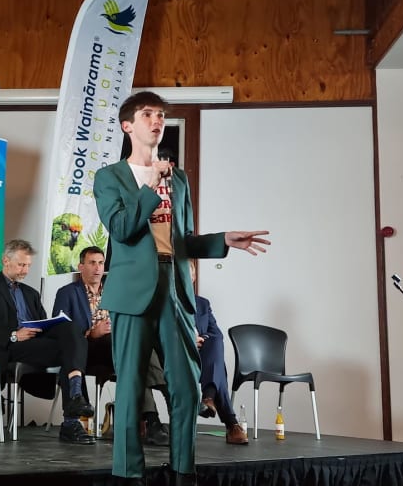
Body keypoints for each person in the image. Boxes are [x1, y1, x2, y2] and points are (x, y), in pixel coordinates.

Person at [93, 91, 270, 484]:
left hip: (174, 287)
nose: (156, 120)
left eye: (160, 114)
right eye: (147, 114)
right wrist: (149, 185)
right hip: (130, 292)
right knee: (131, 389)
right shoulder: (109, 178)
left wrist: (223, 240)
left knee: (187, 387)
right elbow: (121, 229)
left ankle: (183, 469)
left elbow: (183, 240)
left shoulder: (180, 178)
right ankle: (127, 473)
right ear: (128, 125)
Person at [0, 239, 96, 445]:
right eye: (21, 265)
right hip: (10, 347)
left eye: (28, 265)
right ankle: (72, 419)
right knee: (71, 348)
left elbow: (45, 324)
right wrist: (13, 335)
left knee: (71, 331)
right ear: (5, 261)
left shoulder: (31, 293)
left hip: (38, 345)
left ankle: (74, 401)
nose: (25, 270)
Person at [51, 245, 170, 446]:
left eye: (100, 263)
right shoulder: (67, 293)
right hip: (85, 352)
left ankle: (152, 421)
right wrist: (91, 332)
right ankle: (167, 393)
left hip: (116, 350)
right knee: (135, 352)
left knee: (136, 355)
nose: (97, 268)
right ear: (81, 266)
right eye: (91, 263)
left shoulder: (114, 291)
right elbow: (61, 329)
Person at [191, 265, 249, 445]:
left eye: (190, 274)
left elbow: (216, 333)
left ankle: (209, 398)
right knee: (218, 366)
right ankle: (230, 423)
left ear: (193, 278)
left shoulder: (203, 303)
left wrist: (201, 338)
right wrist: (187, 338)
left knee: (215, 342)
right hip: (177, 352)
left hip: (203, 352)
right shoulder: (167, 302)